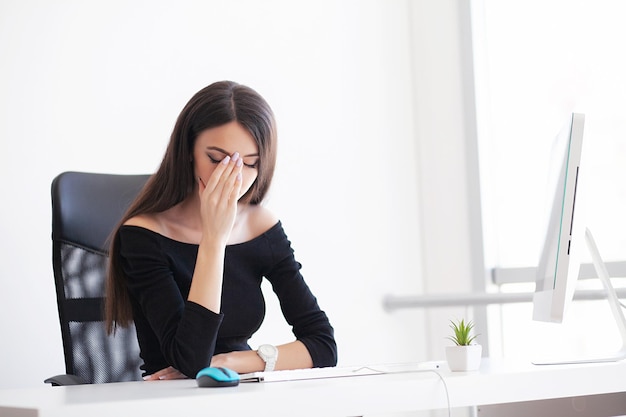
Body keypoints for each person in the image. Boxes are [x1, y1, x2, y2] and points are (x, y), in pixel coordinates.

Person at [104, 81, 337, 380]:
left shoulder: (261, 227)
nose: (232, 179)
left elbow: (323, 346)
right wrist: (214, 238)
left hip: (238, 388)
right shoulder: (143, 235)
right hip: (168, 400)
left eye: (249, 164)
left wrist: (232, 361)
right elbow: (191, 359)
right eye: (216, 159)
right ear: (188, 150)